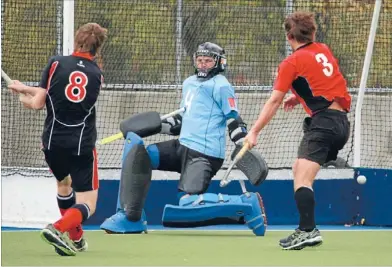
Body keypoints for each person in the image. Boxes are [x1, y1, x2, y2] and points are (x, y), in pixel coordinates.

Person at [101, 42, 266, 236]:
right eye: (199, 60)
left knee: (187, 202)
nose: (203, 64)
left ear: (219, 62)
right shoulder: (189, 83)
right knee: (140, 156)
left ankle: (246, 203)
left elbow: (233, 118)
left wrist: (241, 140)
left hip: (204, 155)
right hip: (181, 147)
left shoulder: (222, 86)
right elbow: (180, 121)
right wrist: (154, 126)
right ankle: (131, 217)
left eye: (208, 61)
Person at [244, 11, 351, 250]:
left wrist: (254, 132)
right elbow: (324, 82)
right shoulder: (323, 49)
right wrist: (297, 96)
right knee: (298, 169)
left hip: (324, 124)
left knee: (302, 178)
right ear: (313, 33)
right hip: (341, 123)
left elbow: (272, 102)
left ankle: (307, 231)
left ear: (289, 36)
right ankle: (330, 160)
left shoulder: (290, 63)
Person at [8, 23, 108, 256]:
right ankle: (57, 228)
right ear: (98, 47)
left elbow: (41, 101)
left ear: (76, 41)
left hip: (53, 143)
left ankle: (77, 237)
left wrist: (26, 97)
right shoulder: (97, 75)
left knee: (64, 186)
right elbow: (67, 96)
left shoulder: (56, 63)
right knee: (88, 204)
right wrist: (26, 88)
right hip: (81, 145)